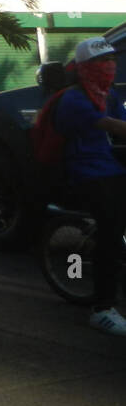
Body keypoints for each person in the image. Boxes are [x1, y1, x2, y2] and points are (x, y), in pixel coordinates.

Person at [54, 37, 126, 335]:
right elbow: (114, 126)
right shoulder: (75, 100)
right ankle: (102, 308)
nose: (108, 67)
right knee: (111, 230)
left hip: (110, 166)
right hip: (86, 173)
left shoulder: (107, 95)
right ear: (84, 69)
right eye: (100, 63)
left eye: (111, 61)